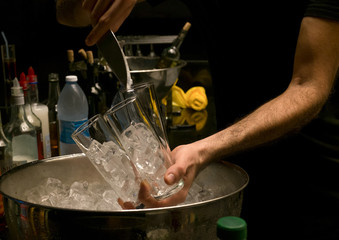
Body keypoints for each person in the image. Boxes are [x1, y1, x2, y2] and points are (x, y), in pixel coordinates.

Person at [56, 0, 339, 238]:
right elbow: (65, 12)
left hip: (313, 185)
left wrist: (205, 149)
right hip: (234, 177)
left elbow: (309, 86)